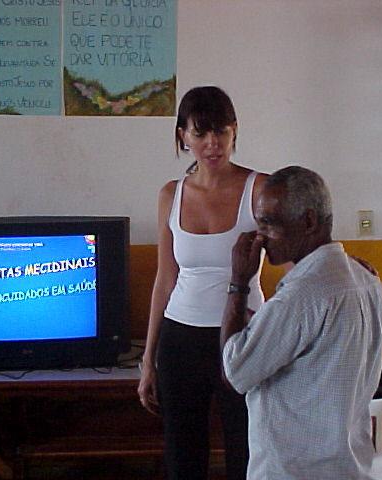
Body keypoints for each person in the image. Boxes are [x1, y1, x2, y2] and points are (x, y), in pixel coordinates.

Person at [221, 166, 382, 479]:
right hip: (348, 467)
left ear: (309, 221)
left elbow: (234, 373)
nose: (260, 236)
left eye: (270, 223)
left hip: (293, 471)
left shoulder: (301, 295)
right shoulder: (368, 282)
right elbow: (308, 346)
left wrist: (238, 284)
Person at [137, 86, 267, 480]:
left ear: (235, 132)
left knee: (247, 449)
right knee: (183, 451)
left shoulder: (261, 188)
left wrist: (344, 266)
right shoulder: (170, 195)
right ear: (183, 136)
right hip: (182, 336)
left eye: (222, 132)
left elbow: (298, 252)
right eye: (200, 133)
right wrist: (148, 359)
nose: (213, 144)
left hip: (246, 336)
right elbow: (165, 278)